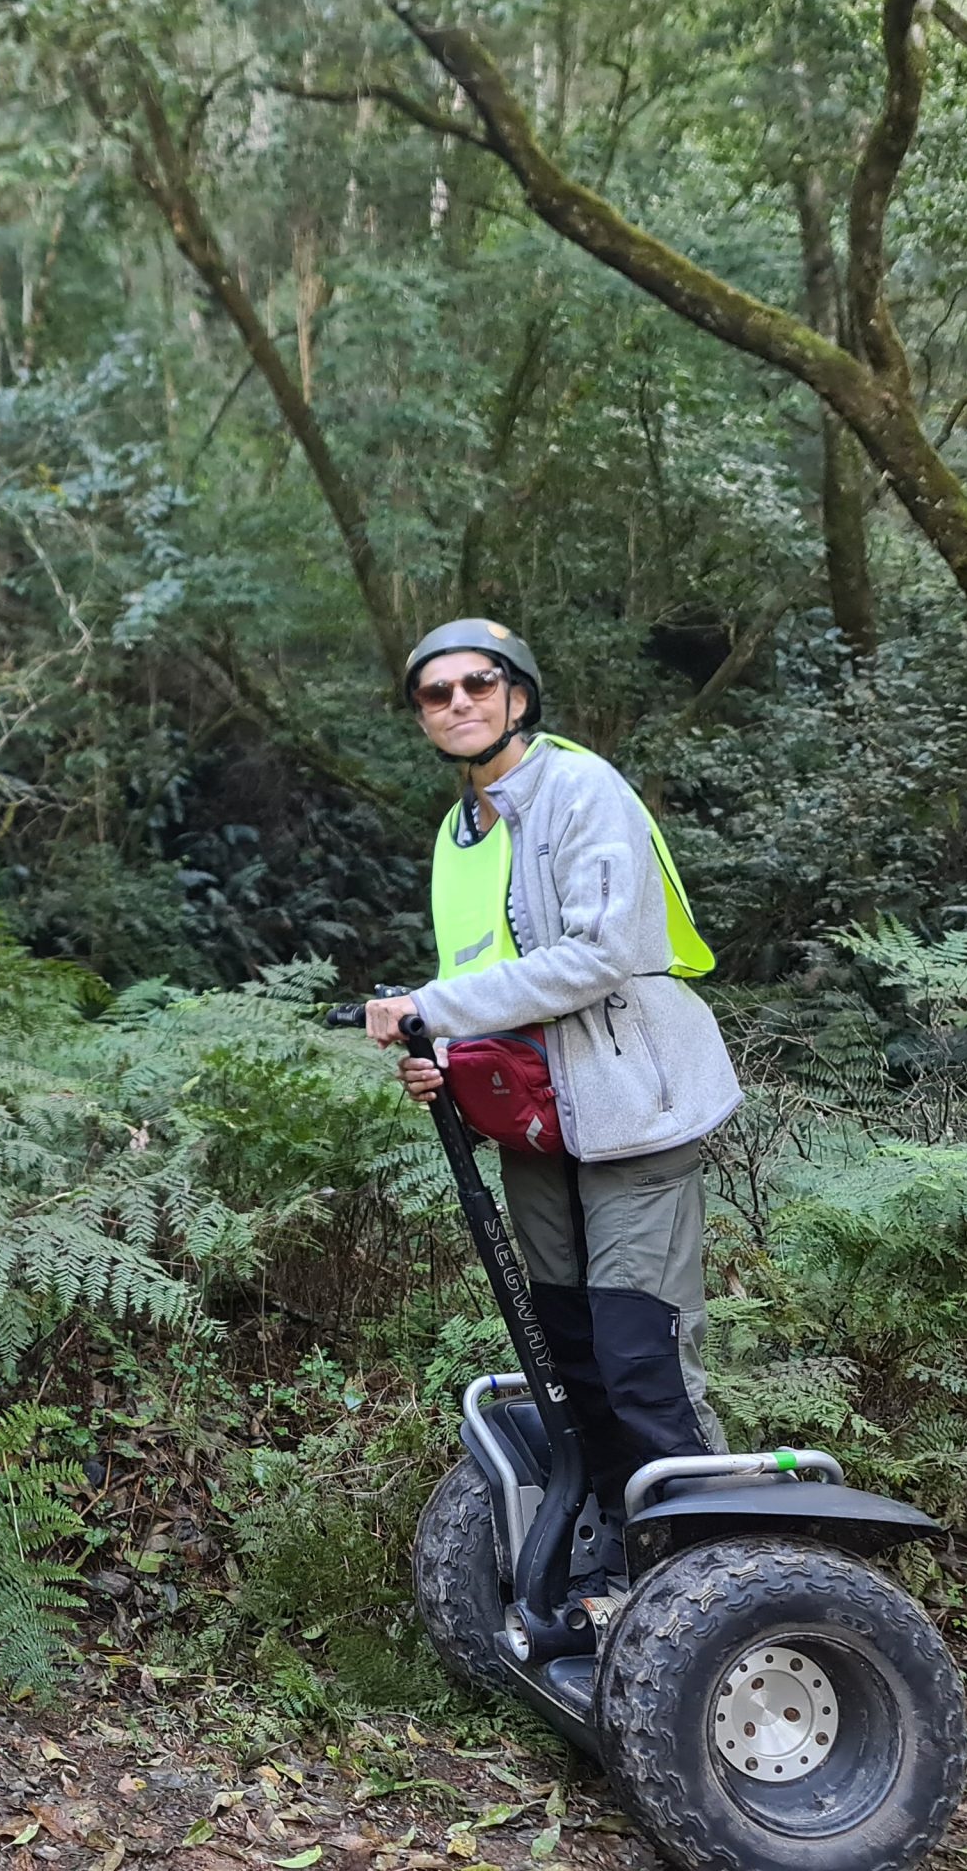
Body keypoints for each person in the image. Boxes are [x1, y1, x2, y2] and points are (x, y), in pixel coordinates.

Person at [363, 619, 741, 1545]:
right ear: (421, 714)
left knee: (637, 1349)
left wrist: (436, 1005)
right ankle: (618, 1547)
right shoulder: (461, 831)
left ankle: (710, 1572)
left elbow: (598, 954)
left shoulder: (580, 790)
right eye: (435, 693)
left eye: (478, 685)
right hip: (534, 1119)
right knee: (566, 1347)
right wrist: (441, 1056)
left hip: (628, 1102)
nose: (458, 704)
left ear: (517, 696)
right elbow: (489, 977)